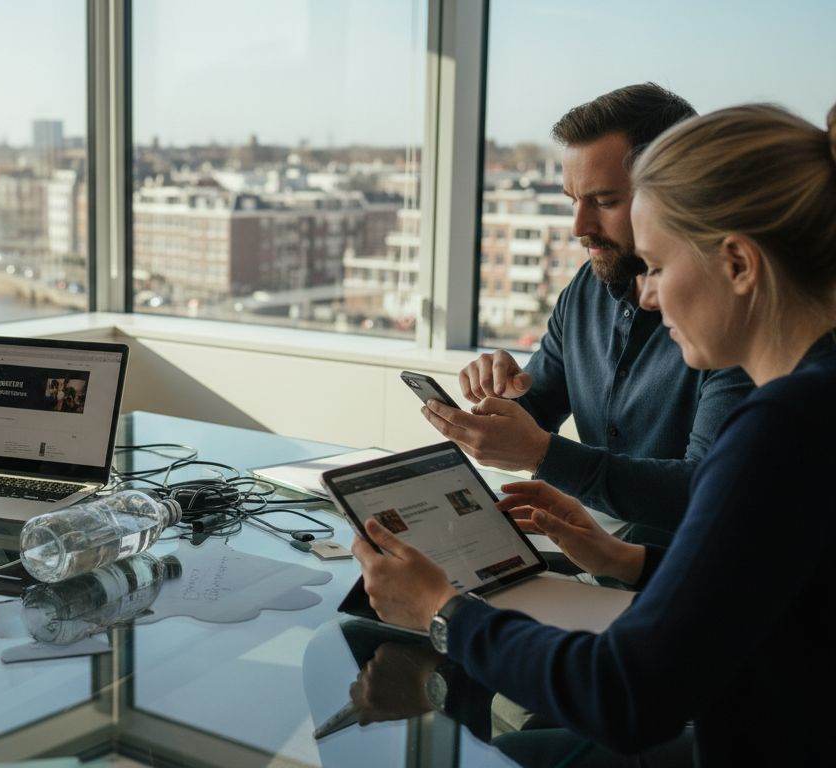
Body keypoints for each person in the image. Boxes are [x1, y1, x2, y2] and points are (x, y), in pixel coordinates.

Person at [353, 102, 836, 764]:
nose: (647, 295)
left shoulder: (785, 425)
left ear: (739, 264)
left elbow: (628, 696)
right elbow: (793, 588)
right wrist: (625, 560)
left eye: (659, 267)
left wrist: (445, 611)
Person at [421, 84, 753, 535]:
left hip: (677, 569)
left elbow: (705, 491)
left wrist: (541, 454)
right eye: (573, 201)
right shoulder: (589, 285)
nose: (580, 227)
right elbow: (538, 406)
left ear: (679, 193)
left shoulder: (736, 317)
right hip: (597, 549)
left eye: (605, 202)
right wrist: (501, 399)